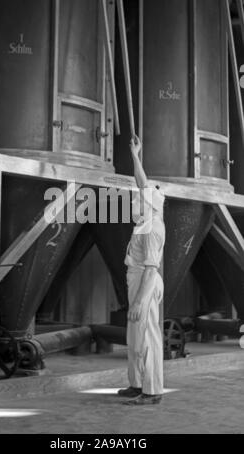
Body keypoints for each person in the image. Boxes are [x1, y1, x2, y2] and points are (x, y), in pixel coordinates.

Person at [118, 135, 165, 405]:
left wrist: (138, 301)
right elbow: (142, 182)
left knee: (148, 336)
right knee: (135, 336)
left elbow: (150, 269)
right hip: (137, 278)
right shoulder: (148, 218)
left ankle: (152, 390)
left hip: (144, 282)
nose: (137, 199)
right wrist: (135, 154)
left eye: (141, 199)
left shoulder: (150, 229)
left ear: (150, 205)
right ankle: (136, 384)